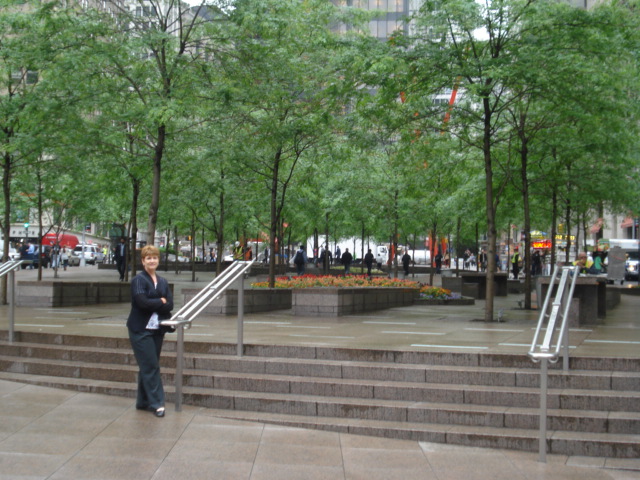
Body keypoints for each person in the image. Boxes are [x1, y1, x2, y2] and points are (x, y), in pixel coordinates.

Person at [127, 245, 174, 418]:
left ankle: (143, 401)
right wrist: (160, 300)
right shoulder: (138, 280)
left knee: (147, 365)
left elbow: (170, 304)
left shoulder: (162, 281)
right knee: (151, 366)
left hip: (157, 330)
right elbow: (142, 303)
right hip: (140, 330)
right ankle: (157, 403)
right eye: (148, 258)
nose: (152, 260)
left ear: (158, 260)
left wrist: (158, 301)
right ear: (143, 261)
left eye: (154, 257)